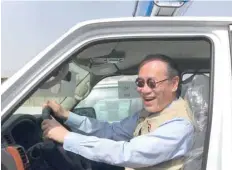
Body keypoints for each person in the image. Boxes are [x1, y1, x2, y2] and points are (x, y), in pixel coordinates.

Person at [41, 54, 195, 170]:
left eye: (152, 83)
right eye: (140, 83)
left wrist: (67, 137)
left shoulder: (179, 124)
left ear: (174, 84)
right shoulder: (151, 114)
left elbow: (126, 153)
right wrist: (66, 115)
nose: (144, 90)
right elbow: (112, 131)